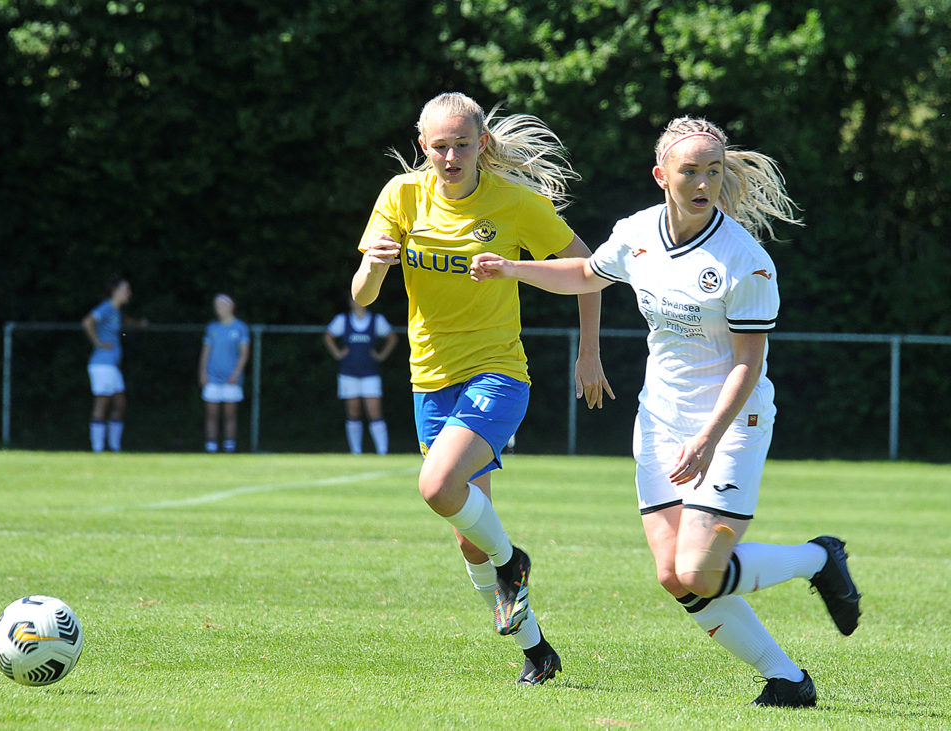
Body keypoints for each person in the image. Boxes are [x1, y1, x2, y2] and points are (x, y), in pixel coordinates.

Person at [470, 116, 861, 706]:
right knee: (673, 576)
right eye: (690, 171)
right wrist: (511, 268)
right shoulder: (636, 233)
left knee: (701, 571)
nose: (703, 183)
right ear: (662, 176)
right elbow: (584, 273)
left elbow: (748, 365)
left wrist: (706, 437)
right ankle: (788, 680)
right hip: (660, 420)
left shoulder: (745, 260)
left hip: (731, 423)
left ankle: (817, 558)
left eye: (713, 171)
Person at [351, 92, 612, 685]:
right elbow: (361, 296)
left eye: (462, 144)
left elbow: (588, 269)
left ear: (482, 145)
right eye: (439, 146)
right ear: (424, 145)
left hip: (498, 373)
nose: (450, 156)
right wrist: (376, 266)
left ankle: (511, 560)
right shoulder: (401, 196)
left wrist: (589, 351)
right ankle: (538, 652)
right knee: (469, 536)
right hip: (430, 381)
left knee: (438, 486)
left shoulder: (514, 204)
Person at [323, 298, 398, 455]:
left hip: (370, 373)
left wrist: (381, 355)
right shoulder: (342, 320)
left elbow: (392, 337)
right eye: (354, 299)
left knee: (375, 412)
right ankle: (356, 452)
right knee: (353, 412)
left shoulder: (377, 320)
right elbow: (328, 336)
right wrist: (337, 353)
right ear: (349, 302)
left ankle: (382, 451)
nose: (358, 302)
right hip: (348, 373)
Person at [81, 275, 147, 452]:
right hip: (101, 364)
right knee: (102, 403)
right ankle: (98, 448)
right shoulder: (106, 307)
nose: (128, 293)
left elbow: (125, 322)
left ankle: (114, 446)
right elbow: (88, 322)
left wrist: (139, 324)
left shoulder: (116, 312)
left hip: (111, 366)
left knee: (120, 404)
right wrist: (98, 343)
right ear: (115, 291)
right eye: (125, 289)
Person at [199, 294, 251, 453]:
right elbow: (206, 352)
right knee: (211, 414)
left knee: (230, 414)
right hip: (212, 377)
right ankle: (211, 446)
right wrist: (202, 372)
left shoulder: (240, 327)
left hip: (231, 378)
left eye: (221, 305)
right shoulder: (212, 328)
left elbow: (244, 353)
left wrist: (236, 373)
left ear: (231, 306)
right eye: (216, 306)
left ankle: (229, 446)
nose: (218, 309)